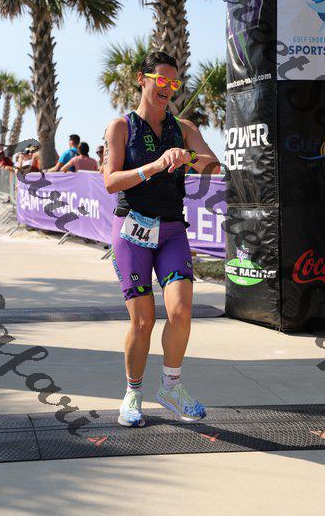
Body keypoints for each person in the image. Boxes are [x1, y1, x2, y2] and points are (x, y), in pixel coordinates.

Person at [103, 51, 220, 428]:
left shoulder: (182, 127)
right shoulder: (121, 127)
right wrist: (154, 166)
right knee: (142, 321)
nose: (168, 89)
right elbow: (110, 182)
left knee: (181, 311)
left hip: (171, 229)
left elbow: (212, 164)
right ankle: (132, 393)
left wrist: (187, 156)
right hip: (132, 229)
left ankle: (171, 387)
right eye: (161, 81)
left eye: (174, 83)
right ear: (142, 79)